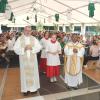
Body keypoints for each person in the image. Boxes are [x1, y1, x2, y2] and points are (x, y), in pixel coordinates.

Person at [13, 26, 41, 95]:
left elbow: (39, 47)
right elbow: (15, 49)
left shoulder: (34, 38)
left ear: (31, 31)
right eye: (26, 30)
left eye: (29, 30)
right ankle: (25, 90)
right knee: (24, 75)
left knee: (33, 74)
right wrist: (24, 49)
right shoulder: (20, 39)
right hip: (23, 61)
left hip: (33, 61)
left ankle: (33, 89)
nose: (28, 32)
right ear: (23, 31)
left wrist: (32, 48)